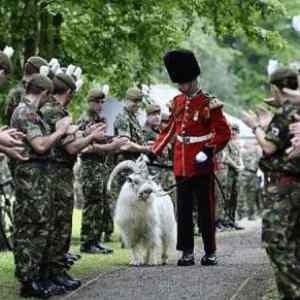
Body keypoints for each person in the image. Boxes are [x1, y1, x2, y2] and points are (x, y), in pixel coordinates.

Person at [152, 49, 231, 266]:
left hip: (202, 164)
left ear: (194, 79)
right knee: (184, 210)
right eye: (180, 83)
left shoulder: (208, 102)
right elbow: (170, 130)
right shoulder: (177, 102)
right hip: (181, 164)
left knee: (206, 210)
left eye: (185, 82)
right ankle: (187, 251)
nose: (182, 87)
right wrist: (155, 150)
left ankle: (210, 250)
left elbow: (224, 133)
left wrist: (208, 150)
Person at [11, 73, 71, 298]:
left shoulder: (33, 113)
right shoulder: (25, 112)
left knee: (42, 227)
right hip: (31, 178)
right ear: (44, 93)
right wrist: (61, 131)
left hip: (40, 178)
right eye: (49, 96)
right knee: (31, 228)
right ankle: (29, 281)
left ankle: (39, 276)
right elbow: (40, 145)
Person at [242, 67, 300, 300]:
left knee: (277, 244)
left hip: (284, 188)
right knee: (294, 244)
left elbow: (268, 147)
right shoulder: (296, 110)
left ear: (276, 88)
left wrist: (255, 126)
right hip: (294, 185)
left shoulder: (286, 111)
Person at [79, 88, 128, 254]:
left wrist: (111, 141)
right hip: (90, 167)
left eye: (102, 102)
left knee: (100, 204)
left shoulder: (99, 119)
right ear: (90, 102)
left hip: (100, 167)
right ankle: (87, 241)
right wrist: (109, 146)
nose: (100, 105)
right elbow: (84, 147)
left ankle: (95, 239)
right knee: (91, 204)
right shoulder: (85, 120)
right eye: (97, 102)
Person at [222, 124, 244, 230]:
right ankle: (225, 220)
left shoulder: (237, 144)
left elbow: (239, 158)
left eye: (236, 130)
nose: (234, 132)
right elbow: (225, 158)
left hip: (236, 174)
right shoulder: (226, 142)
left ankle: (232, 220)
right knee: (227, 197)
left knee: (235, 197)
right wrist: (237, 167)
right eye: (232, 130)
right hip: (228, 173)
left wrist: (240, 166)